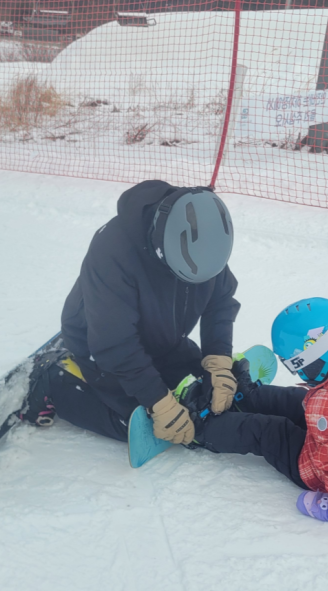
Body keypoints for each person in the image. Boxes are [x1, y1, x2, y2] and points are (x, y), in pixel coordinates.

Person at [22, 180, 241, 448]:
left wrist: (218, 360)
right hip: (100, 342)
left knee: (198, 396)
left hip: (163, 336)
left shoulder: (204, 238)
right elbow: (115, 343)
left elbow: (220, 301)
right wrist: (158, 403)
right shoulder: (113, 250)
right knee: (142, 424)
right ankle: (53, 384)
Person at [173, 297, 328, 523]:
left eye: (296, 367)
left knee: (268, 430)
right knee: (298, 400)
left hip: (321, 470)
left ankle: (202, 429)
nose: (298, 373)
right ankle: (245, 397)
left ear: (313, 359)